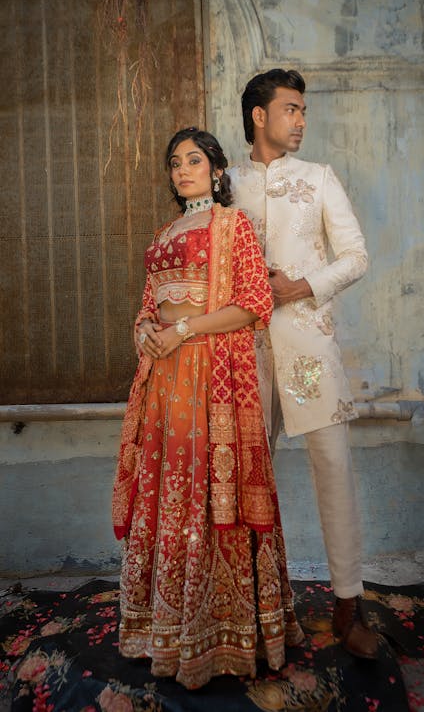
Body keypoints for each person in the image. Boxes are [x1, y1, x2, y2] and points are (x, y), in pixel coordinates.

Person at [111, 127, 304, 689]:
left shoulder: (232, 225)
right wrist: (146, 328)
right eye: (174, 163)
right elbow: (148, 305)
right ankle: (162, 628)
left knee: (207, 490)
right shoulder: (165, 231)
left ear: (217, 170)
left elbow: (252, 302)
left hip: (209, 376)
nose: (182, 170)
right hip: (165, 381)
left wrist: (184, 330)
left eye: (193, 160)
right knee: (171, 490)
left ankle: (224, 631)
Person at [228, 70, 379, 659]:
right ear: (259, 116)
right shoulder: (228, 183)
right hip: (242, 354)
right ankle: (247, 603)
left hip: (306, 353)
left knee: (333, 467)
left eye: (303, 111)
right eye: (291, 109)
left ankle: (349, 604)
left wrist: (303, 286)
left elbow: (357, 255)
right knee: (242, 477)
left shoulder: (318, 180)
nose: (301, 120)